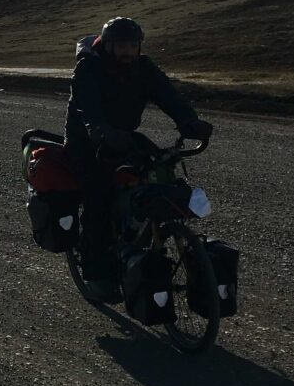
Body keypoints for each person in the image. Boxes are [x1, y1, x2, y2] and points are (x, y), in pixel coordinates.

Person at [64, 16, 213, 301]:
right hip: (85, 141)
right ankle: (96, 274)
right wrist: (98, 130)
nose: (128, 52)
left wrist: (189, 122)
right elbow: (88, 107)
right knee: (99, 199)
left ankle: (136, 231)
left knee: (157, 173)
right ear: (108, 46)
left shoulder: (143, 68)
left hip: (122, 135)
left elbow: (168, 96)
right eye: (121, 46)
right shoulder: (89, 68)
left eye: (133, 45)